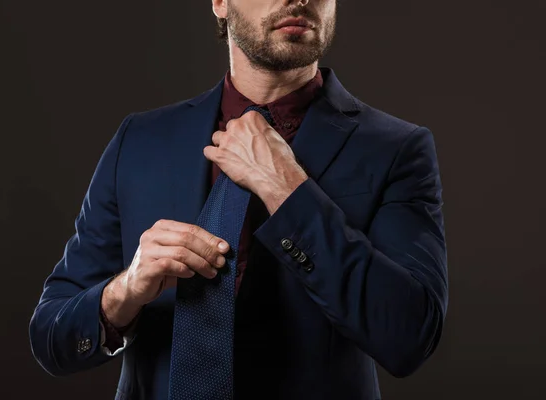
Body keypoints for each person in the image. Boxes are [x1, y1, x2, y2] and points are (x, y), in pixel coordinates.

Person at [29, 1, 448, 399]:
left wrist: (288, 192)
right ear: (219, 3)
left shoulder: (396, 149)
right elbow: (51, 338)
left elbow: (409, 336)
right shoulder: (139, 141)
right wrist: (126, 291)